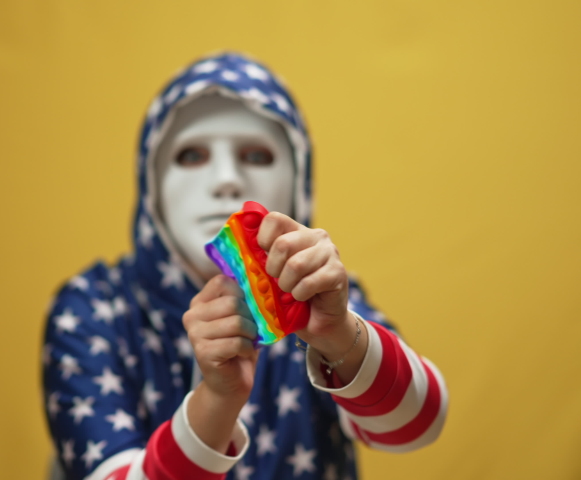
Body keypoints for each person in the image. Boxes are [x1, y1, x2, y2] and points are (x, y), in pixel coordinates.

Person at [42, 52, 448, 480]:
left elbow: (418, 425)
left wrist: (338, 334)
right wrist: (217, 399)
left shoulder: (322, 302)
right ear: (151, 184)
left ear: (298, 181)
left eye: (256, 156)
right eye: (191, 155)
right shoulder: (92, 310)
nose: (226, 180)